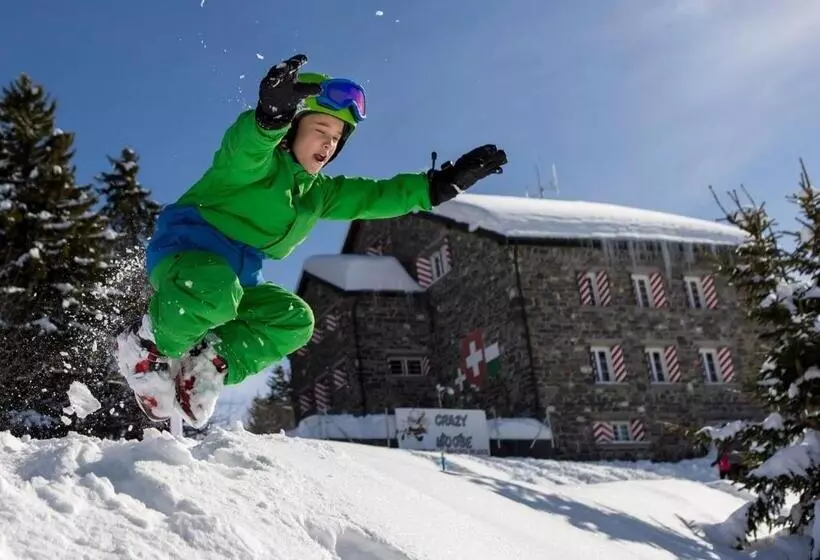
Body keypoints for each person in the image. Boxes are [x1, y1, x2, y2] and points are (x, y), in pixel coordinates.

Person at [115, 54, 508, 428]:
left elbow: (373, 196)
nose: (328, 144)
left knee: (295, 319)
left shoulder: (318, 193)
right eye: (320, 131)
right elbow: (243, 148)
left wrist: (435, 187)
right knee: (216, 289)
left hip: (235, 283)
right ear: (293, 129)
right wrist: (269, 118)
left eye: (337, 138)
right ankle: (146, 347)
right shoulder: (254, 167)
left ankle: (207, 367)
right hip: (186, 258)